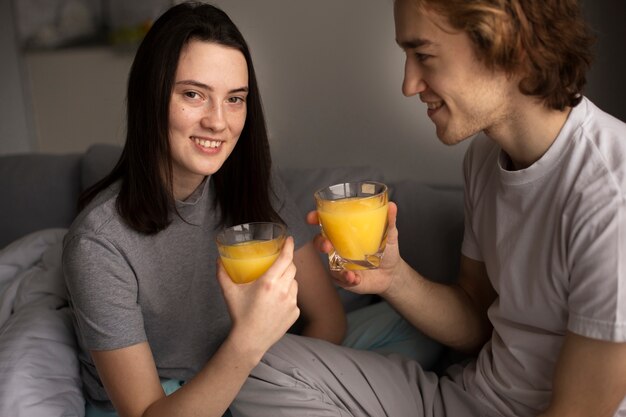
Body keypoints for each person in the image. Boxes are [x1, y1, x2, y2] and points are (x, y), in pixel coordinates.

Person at [230, 0, 626, 416]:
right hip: (464, 398)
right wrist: (392, 277)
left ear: (508, 45)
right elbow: (475, 321)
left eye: (423, 55)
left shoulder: (610, 196)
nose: (409, 83)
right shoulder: (484, 158)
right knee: (256, 366)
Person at [61, 3, 347, 417]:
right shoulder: (98, 243)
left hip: (254, 376)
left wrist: (278, 388)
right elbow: (145, 412)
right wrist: (249, 341)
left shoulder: (255, 184)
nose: (218, 122)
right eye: (193, 95)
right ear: (150, 98)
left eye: (235, 99)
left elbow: (330, 320)